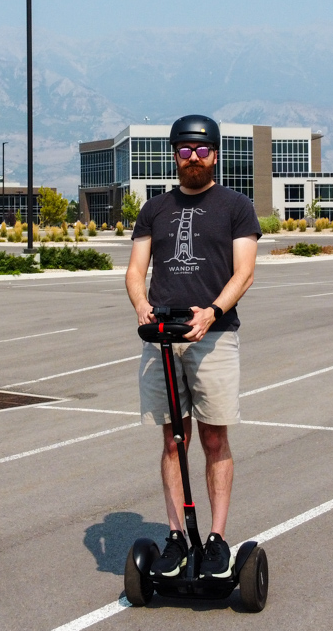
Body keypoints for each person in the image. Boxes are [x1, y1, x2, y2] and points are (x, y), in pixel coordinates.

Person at [125, 114, 261, 580]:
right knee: (171, 439)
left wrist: (212, 312)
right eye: (184, 151)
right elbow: (135, 269)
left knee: (214, 438)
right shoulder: (155, 209)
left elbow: (244, 271)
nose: (193, 159)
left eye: (202, 151)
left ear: (216, 154)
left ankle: (218, 539)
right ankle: (178, 537)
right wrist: (142, 305)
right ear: (175, 156)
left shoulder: (236, 206)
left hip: (214, 337)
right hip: (162, 337)